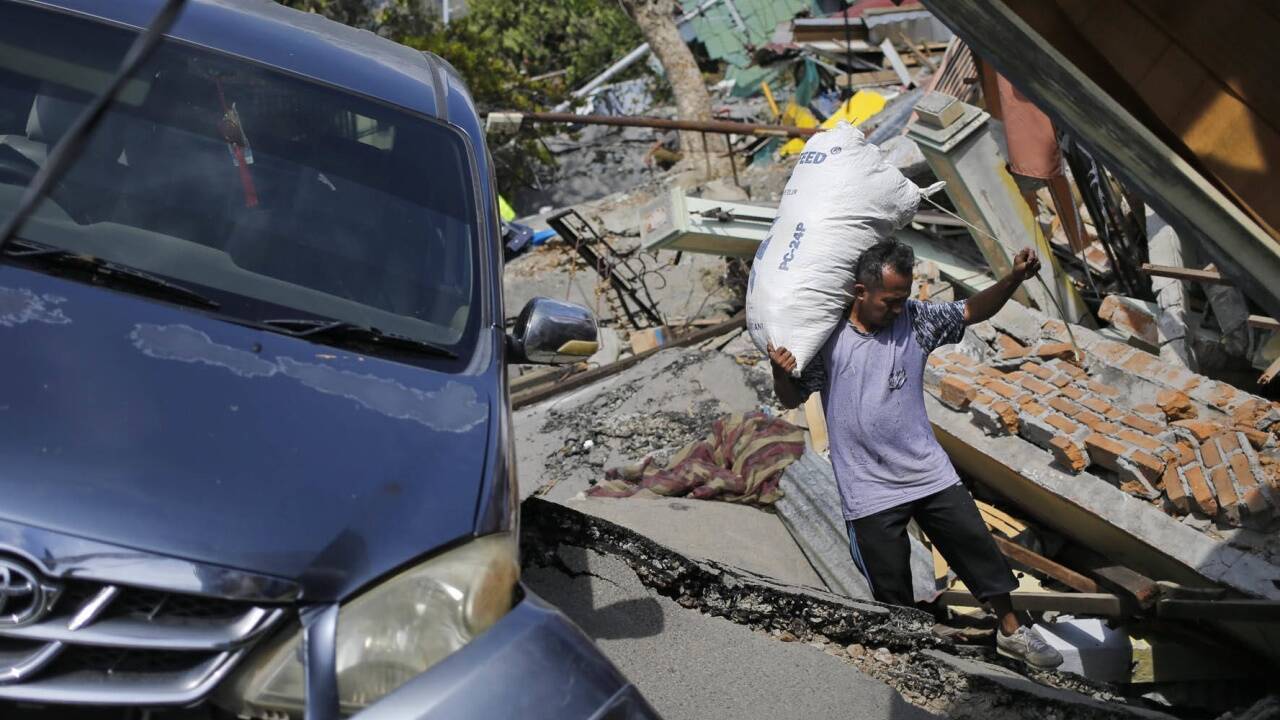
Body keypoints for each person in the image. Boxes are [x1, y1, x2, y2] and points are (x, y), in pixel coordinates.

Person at [768, 238, 1063, 669]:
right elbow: (793, 397)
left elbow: (972, 310)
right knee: (891, 585)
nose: (896, 309)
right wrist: (780, 372)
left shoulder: (916, 320)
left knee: (978, 551)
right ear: (860, 292)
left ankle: (1012, 632)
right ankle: (914, 655)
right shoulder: (828, 338)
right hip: (868, 485)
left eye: (902, 299)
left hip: (927, 471)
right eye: (889, 301)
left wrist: (1013, 278)